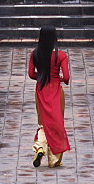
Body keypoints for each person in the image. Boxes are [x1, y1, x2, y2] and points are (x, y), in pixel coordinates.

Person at [27, 26, 70, 168]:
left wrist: (41, 76)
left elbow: (32, 74)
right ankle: (54, 160)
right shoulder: (61, 55)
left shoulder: (35, 54)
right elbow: (67, 77)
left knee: (43, 122)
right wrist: (61, 78)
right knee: (56, 123)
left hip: (40, 90)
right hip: (56, 91)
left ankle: (40, 147)